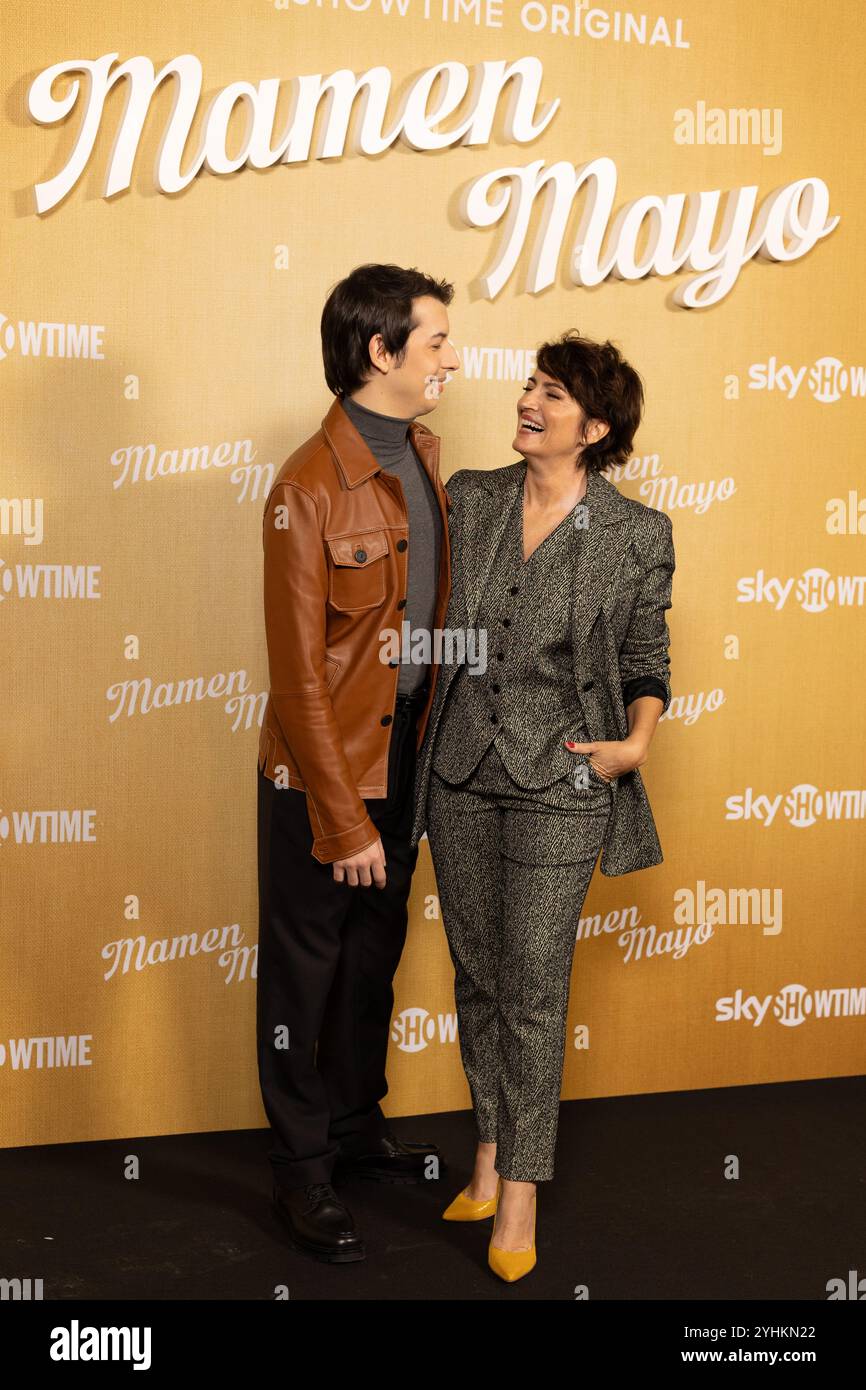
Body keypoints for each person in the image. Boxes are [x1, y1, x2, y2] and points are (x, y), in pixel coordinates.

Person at [411, 331, 675, 1282]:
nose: (528, 400)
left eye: (552, 394)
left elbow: (646, 658)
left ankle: (519, 1189)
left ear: (594, 427)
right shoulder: (471, 498)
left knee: (533, 980)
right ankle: (487, 1146)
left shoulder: (639, 533)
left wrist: (635, 742)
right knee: (479, 972)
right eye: (530, 384)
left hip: (565, 778)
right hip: (461, 773)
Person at [257, 263, 461, 1263]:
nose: (451, 360)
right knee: (306, 977)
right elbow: (298, 679)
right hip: (320, 782)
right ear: (380, 353)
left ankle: (350, 1128)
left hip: (404, 766)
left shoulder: (421, 452)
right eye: (434, 343)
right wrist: (339, 820)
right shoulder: (305, 484)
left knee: (371, 965)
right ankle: (299, 1170)